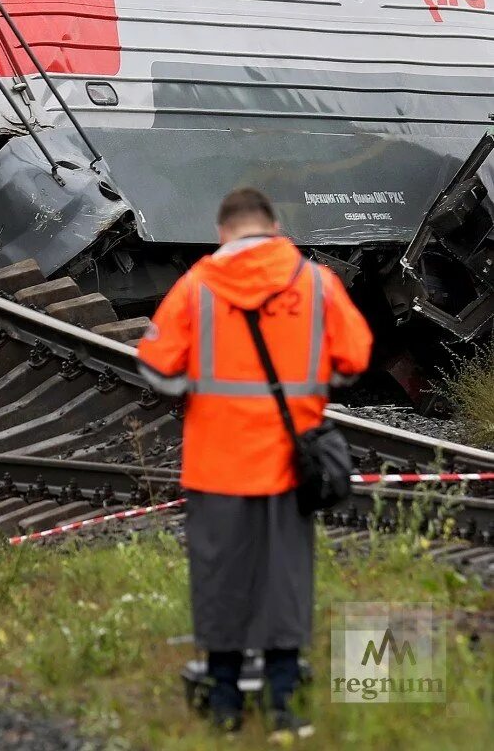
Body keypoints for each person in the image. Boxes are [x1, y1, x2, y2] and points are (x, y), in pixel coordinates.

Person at [138, 188, 372, 741]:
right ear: (274, 227)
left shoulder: (197, 286)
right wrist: (311, 393)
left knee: (221, 581)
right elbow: (355, 358)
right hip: (291, 466)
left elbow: (155, 365)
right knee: (284, 581)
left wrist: (195, 392)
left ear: (225, 233)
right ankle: (285, 707)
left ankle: (222, 705)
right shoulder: (316, 284)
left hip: (216, 466)